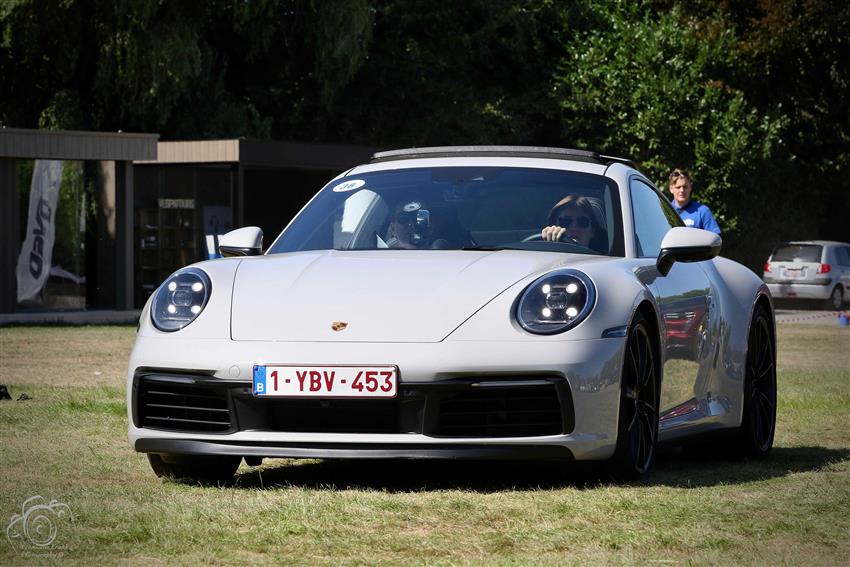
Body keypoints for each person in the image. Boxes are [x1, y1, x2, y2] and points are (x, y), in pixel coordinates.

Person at [541, 195, 607, 252]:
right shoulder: (540, 256)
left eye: (582, 222)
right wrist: (548, 241)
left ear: (592, 231)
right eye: (565, 221)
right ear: (554, 226)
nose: (574, 228)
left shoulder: (605, 260)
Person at [668, 169, 721, 234]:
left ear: (690, 187)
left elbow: (715, 237)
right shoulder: (665, 212)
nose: (682, 190)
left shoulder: (703, 211)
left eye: (685, 187)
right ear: (671, 189)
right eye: (678, 187)